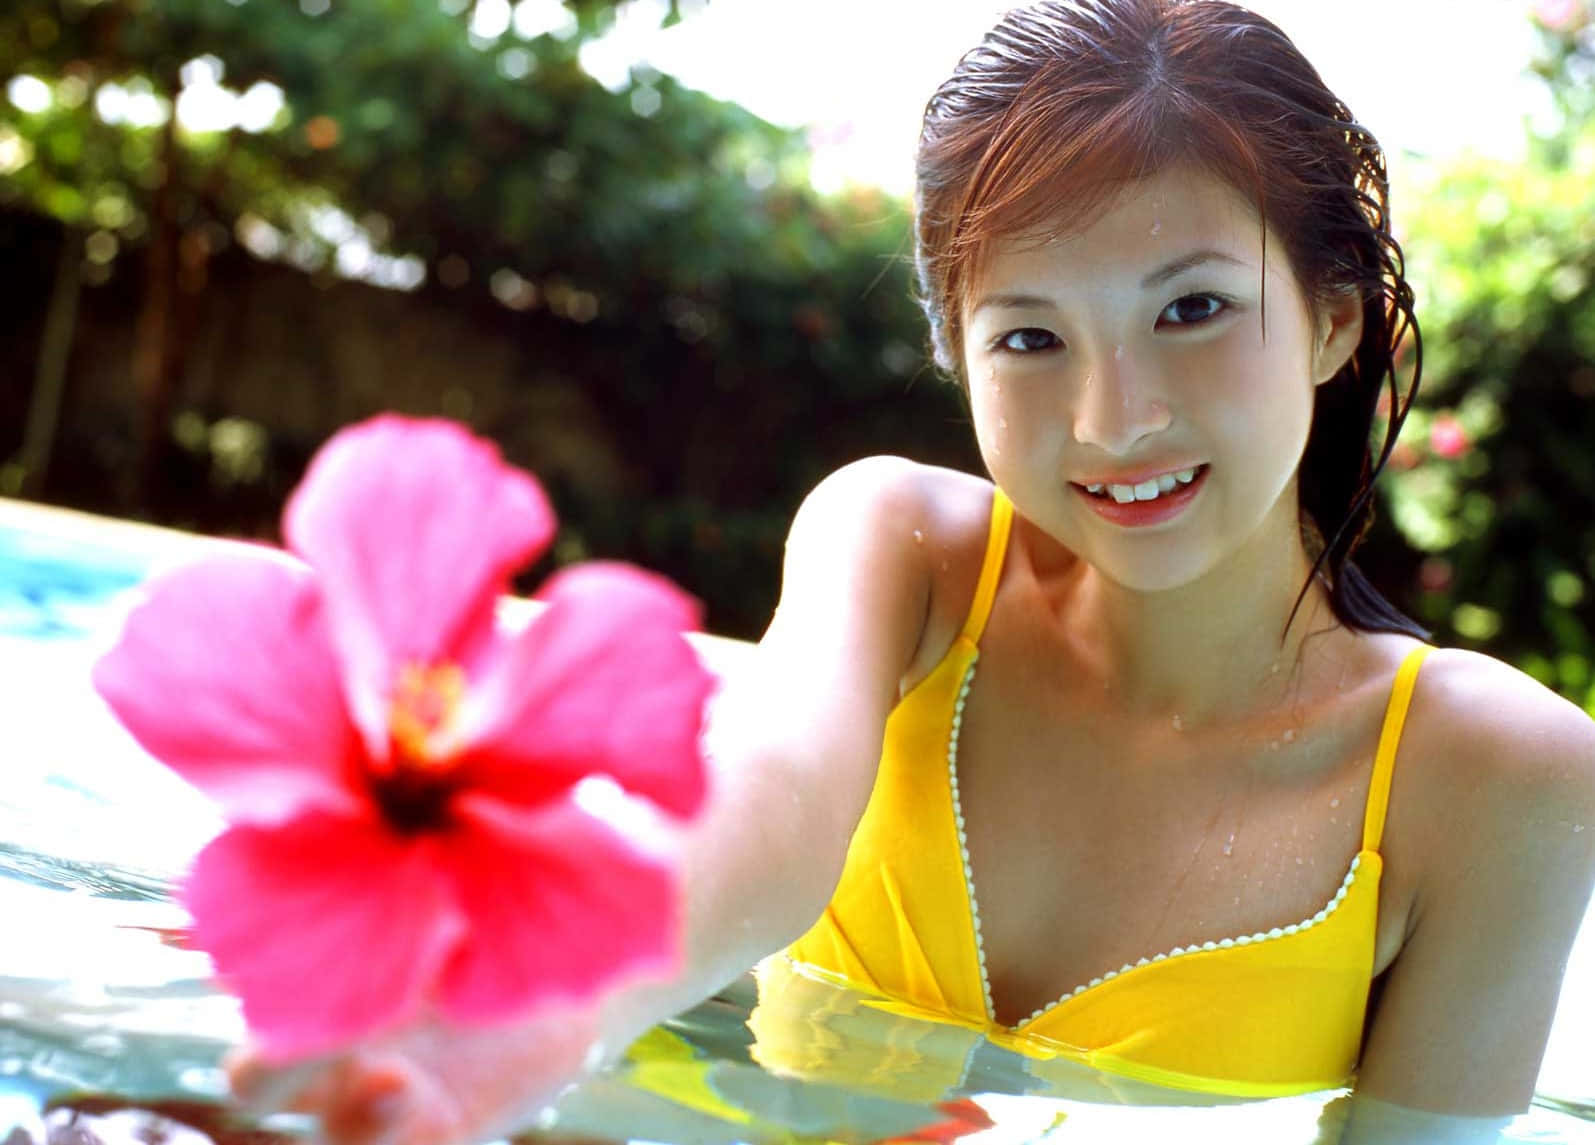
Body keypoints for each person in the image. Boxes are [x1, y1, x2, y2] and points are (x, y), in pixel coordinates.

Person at [231, 1, 1595, 1140]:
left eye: (1192, 309)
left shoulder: (1495, 782)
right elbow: (762, 803)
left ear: (1334, 322)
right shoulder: (901, 551)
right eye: (1029, 338)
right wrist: (521, 1024)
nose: (1114, 418)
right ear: (954, 350)